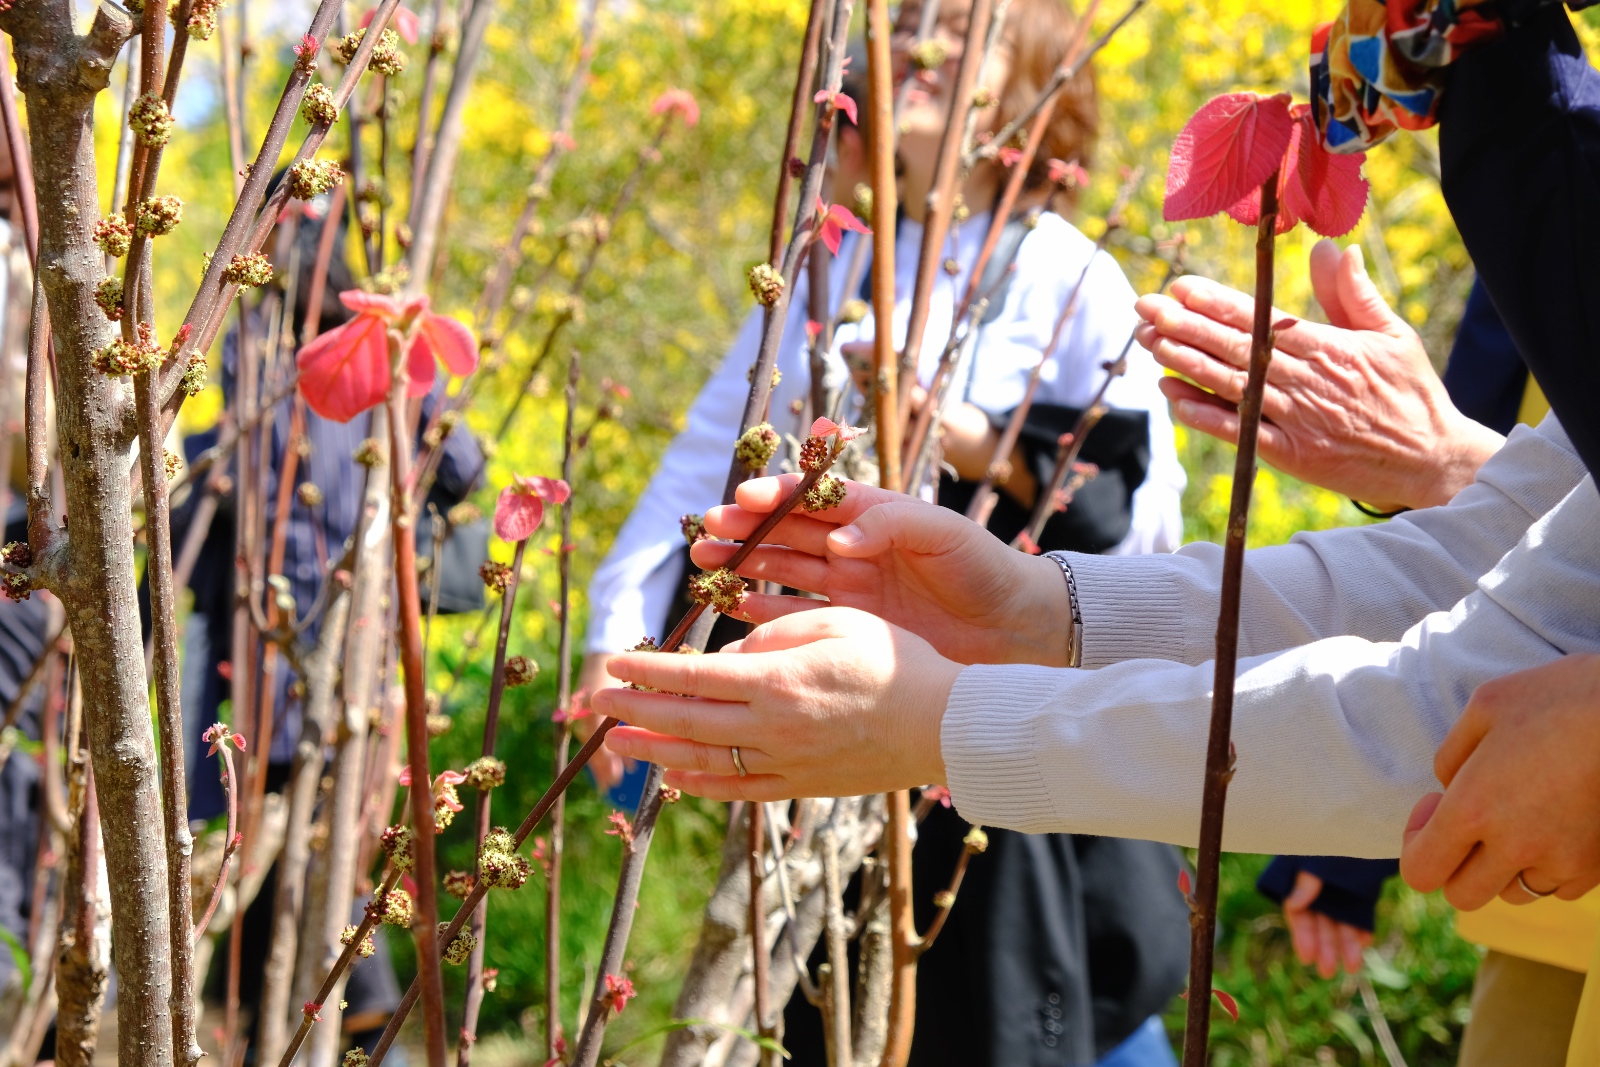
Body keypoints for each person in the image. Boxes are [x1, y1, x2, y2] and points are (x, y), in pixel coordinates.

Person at [583, 3, 1191, 1061]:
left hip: (997, 714)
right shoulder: (838, 261)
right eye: (902, 23)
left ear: (1031, 78)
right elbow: (704, 459)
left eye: (959, 29)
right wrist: (615, 630)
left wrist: (960, 434)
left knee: (1024, 996)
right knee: (832, 996)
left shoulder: (1066, 269)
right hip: (837, 711)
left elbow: (1141, 518)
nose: (918, 46)